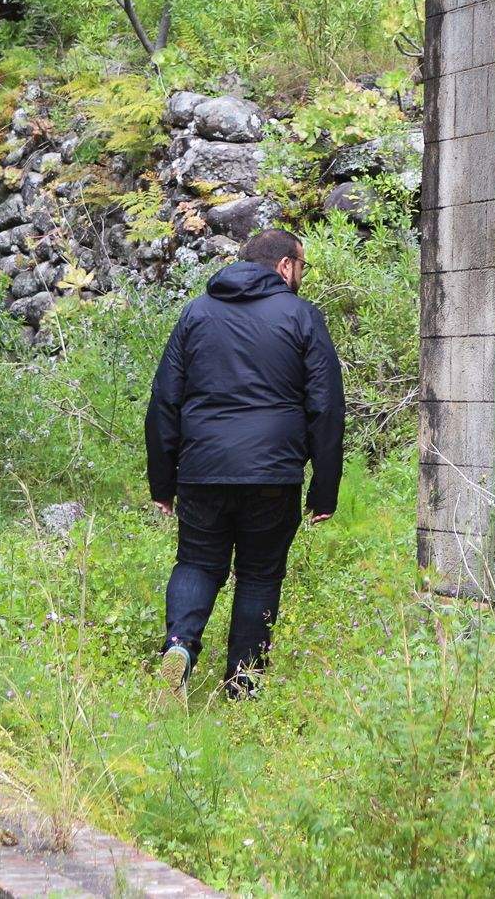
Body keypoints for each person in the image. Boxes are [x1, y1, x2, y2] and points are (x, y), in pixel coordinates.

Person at [145, 228, 344, 699]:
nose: (302, 276)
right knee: (259, 574)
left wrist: (162, 483)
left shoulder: (196, 313)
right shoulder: (301, 316)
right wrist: (324, 488)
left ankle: (179, 648)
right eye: (302, 266)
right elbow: (327, 406)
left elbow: (163, 402)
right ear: (284, 266)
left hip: (202, 470)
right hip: (273, 474)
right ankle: (242, 686)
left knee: (196, 562)